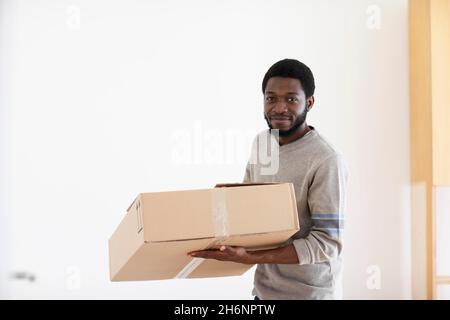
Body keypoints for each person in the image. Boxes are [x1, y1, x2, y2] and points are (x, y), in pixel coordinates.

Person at [189, 59, 348, 300]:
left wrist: (251, 257)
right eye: (271, 98)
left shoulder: (325, 159)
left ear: (310, 102)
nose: (279, 107)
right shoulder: (262, 143)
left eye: (291, 99)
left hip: (308, 295)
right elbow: (249, 212)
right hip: (263, 292)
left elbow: (328, 243)